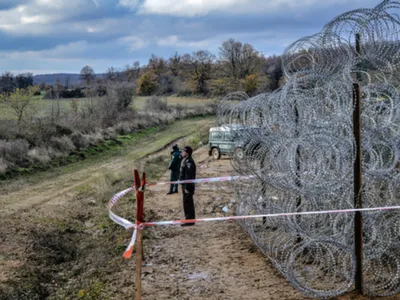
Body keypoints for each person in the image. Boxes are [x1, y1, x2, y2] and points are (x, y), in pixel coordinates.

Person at [179, 146, 196, 226]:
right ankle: (189, 220)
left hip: (188, 186)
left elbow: (188, 176)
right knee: (186, 203)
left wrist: (186, 187)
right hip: (185, 185)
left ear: (187, 153)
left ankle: (189, 220)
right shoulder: (185, 161)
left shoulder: (189, 162)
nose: (182, 153)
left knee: (188, 203)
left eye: (183, 151)